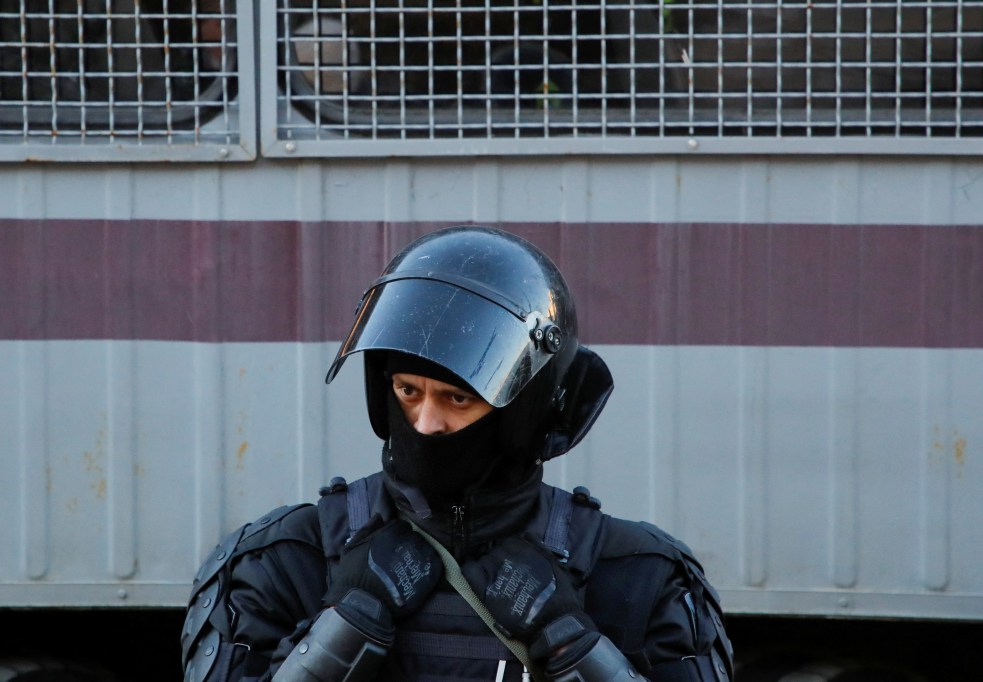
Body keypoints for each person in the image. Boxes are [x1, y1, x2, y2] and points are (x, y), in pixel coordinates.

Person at [181, 225, 734, 682]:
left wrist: (572, 645)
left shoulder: (638, 575)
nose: (426, 423)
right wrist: (345, 626)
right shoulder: (281, 562)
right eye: (407, 391)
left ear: (525, 409)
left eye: (457, 398)